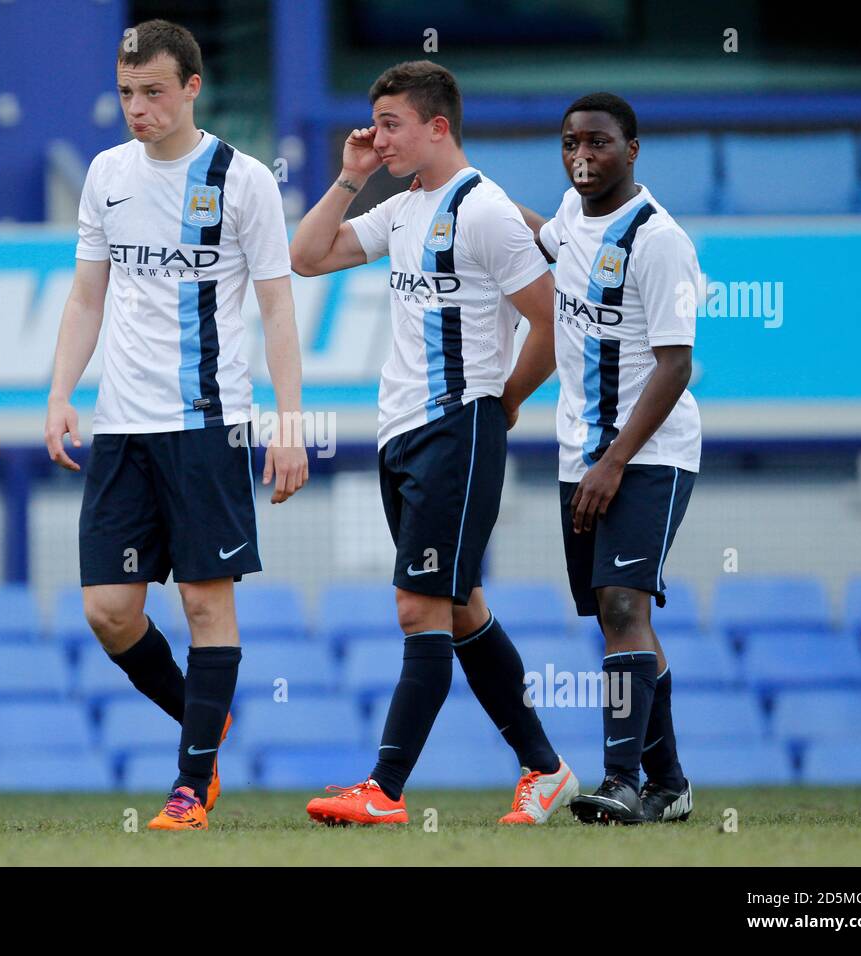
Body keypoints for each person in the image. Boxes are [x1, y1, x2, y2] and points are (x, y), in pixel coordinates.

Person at [290, 60, 578, 826]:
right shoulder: (403, 206)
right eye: (373, 123)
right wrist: (350, 176)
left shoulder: (483, 211)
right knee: (460, 606)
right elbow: (307, 256)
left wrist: (505, 401)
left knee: (418, 607)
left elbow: (552, 321)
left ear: (438, 126)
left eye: (390, 125)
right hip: (402, 434)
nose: (375, 137)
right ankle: (546, 771)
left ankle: (383, 789)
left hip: (460, 426)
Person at [44, 19, 308, 831]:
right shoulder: (106, 175)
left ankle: (190, 789)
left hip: (209, 424)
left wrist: (288, 422)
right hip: (123, 428)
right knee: (109, 610)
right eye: (126, 93)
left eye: (153, 92)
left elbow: (275, 305)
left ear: (192, 87)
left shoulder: (243, 179)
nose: (138, 108)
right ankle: (208, 718)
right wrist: (60, 393)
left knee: (203, 604)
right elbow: (88, 294)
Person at [519, 92, 701, 824]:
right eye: (569, 143)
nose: (581, 156)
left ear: (632, 148)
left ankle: (620, 781)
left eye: (597, 143)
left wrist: (617, 461)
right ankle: (670, 786)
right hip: (578, 456)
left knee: (626, 606)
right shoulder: (570, 213)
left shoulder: (658, 241)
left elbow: (676, 364)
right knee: (613, 618)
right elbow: (549, 242)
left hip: (647, 455)